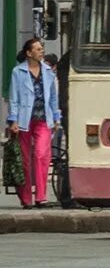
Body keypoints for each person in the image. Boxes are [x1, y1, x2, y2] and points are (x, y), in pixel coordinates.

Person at [7, 38, 61, 209]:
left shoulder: (48, 72)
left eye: (42, 48)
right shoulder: (18, 72)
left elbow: (53, 97)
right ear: (29, 53)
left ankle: (41, 196)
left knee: (40, 155)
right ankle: (26, 198)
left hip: (44, 119)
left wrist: (56, 117)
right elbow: (13, 98)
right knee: (24, 160)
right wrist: (13, 120)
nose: (41, 51)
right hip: (24, 120)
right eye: (38, 49)